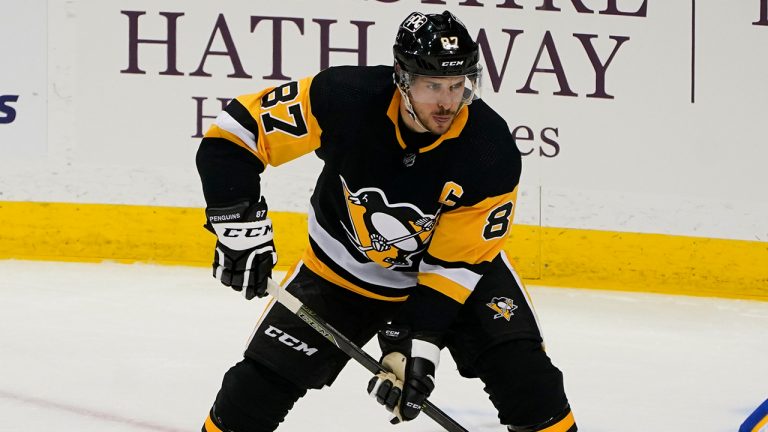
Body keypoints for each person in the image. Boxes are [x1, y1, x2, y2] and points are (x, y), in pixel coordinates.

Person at [196, 10, 576, 432]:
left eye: (456, 85)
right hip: (338, 272)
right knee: (251, 396)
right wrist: (238, 227)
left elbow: (455, 265)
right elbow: (232, 136)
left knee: (530, 385)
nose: (448, 102)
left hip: (454, 278)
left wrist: (419, 348)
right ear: (402, 77)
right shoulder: (345, 97)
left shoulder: (489, 149)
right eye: (433, 86)